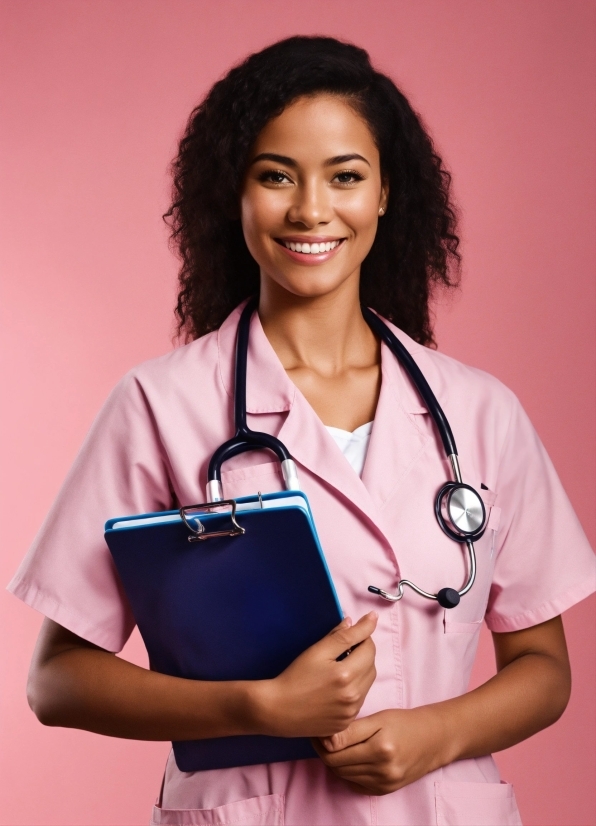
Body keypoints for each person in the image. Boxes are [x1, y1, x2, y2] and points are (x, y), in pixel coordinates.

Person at [8, 36, 595, 826]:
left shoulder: (480, 412)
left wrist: (436, 732)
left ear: (385, 192)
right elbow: (57, 681)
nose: (311, 209)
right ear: (236, 194)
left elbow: (543, 666)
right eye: (275, 175)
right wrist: (259, 706)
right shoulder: (159, 404)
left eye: (345, 176)